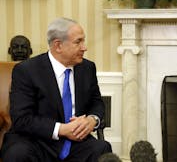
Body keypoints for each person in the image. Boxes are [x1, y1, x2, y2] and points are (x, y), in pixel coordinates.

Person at [0, 17, 112, 162]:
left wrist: (92, 120)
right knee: (17, 154)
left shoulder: (87, 68)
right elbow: (22, 119)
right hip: (36, 140)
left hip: (76, 143)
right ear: (58, 45)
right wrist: (62, 129)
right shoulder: (26, 71)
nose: (84, 47)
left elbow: (97, 103)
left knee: (102, 149)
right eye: (78, 42)